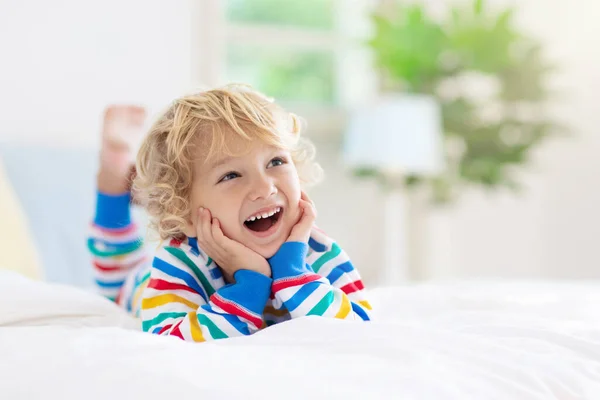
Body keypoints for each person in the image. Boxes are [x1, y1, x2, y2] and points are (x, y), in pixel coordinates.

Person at [88, 85, 372, 342]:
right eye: (231, 175)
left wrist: (292, 272)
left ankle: (135, 178)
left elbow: (359, 328)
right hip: (142, 286)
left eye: (275, 161)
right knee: (119, 272)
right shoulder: (180, 263)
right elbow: (170, 341)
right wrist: (250, 283)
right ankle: (115, 169)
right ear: (187, 216)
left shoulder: (315, 249)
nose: (265, 187)